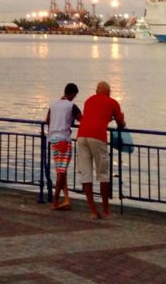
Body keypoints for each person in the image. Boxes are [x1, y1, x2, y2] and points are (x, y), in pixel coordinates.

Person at [75, 80, 126, 219]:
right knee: (103, 173)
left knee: (86, 174)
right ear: (109, 93)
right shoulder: (112, 102)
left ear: (96, 91)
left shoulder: (88, 101)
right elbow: (120, 123)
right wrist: (121, 121)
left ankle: (92, 211)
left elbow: (93, 116)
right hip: (97, 136)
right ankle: (106, 211)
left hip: (81, 135)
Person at [46, 82, 81, 210]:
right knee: (61, 172)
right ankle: (55, 202)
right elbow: (82, 119)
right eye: (75, 95)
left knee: (61, 171)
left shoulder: (53, 104)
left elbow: (47, 120)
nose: (74, 98)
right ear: (72, 94)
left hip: (53, 139)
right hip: (64, 140)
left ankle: (66, 199)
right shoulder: (71, 106)